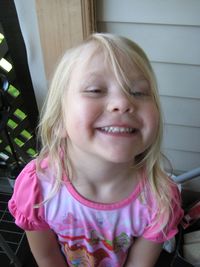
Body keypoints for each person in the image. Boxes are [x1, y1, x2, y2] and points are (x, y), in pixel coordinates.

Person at [8, 33, 183, 267]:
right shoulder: (38, 188)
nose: (122, 102)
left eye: (138, 92)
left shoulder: (159, 198)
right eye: (94, 90)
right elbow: (47, 257)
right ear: (60, 120)